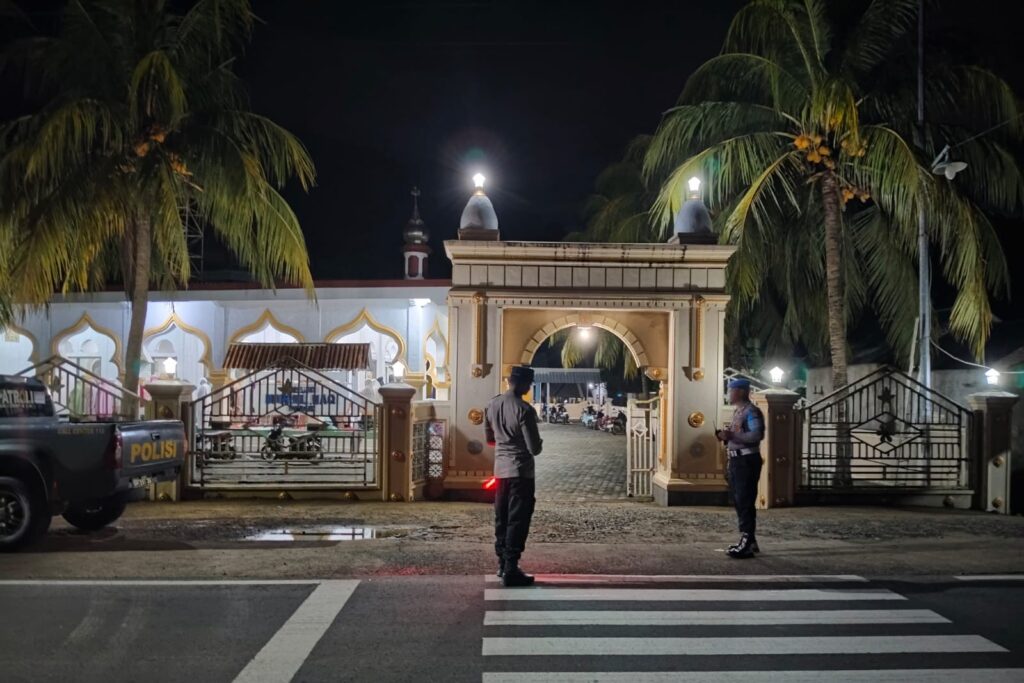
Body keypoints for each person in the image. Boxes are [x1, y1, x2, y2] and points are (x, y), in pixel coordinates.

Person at [485, 365, 543, 587]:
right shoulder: (524, 409)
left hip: (500, 471)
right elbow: (534, 448)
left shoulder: (492, 404)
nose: (529, 388)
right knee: (518, 520)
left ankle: (502, 564)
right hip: (521, 473)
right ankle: (511, 568)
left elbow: (490, 439)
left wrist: (504, 440)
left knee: (503, 517)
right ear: (523, 383)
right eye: (529, 384)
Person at [715, 378, 765, 559]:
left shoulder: (751, 412)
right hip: (737, 461)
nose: (729, 394)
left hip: (746, 461)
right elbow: (739, 436)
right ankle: (749, 539)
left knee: (744, 500)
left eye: (732, 390)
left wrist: (732, 434)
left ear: (742, 392)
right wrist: (726, 437)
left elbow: (756, 434)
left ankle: (747, 540)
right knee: (739, 500)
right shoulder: (739, 412)